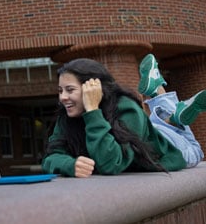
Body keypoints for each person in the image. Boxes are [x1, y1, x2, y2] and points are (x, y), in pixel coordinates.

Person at [42, 56, 204, 178]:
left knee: (196, 150)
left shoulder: (126, 108)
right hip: (147, 130)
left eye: (70, 90)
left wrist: (92, 110)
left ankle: (171, 112)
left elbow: (111, 163)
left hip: (173, 146)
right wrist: (68, 164)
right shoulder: (67, 116)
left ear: (94, 89)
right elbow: (50, 157)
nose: (63, 97)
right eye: (60, 91)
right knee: (158, 124)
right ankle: (170, 111)